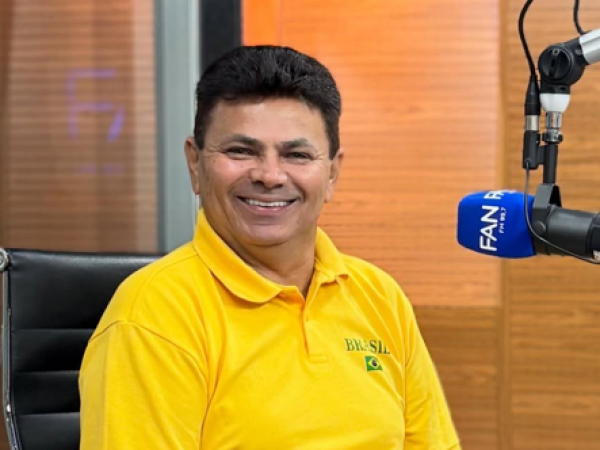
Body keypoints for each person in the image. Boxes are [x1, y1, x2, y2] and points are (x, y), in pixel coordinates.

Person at [79, 45, 461, 450]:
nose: (270, 175)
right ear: (195, 163)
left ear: (332, 173)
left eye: (297, 154)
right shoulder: (152, 314)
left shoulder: (379, 295)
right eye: (241, 151)